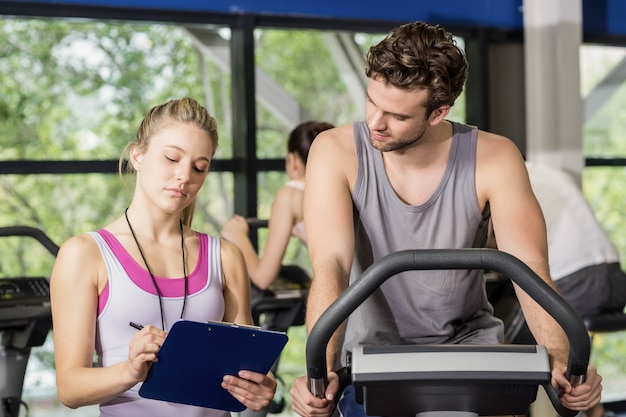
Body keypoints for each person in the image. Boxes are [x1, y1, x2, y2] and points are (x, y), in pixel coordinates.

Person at [288, 21, 603, 417]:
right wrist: (320, 372)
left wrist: (562, 362)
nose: (375, 122)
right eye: (372, 102)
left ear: (439, 112)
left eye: (396, 115)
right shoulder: (334, 151)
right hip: (371, 358)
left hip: (470, 349)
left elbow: (529, 269)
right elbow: (330, 266)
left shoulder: (494, 157)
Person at [50, 97, 277, 417]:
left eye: (199, 167)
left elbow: (246, 368)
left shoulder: (225, 256)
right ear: (138, 155)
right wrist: (129, 371)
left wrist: (260, 385)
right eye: (172, 158)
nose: (185, 176)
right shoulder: (85, 255)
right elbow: (70, 388)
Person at [221, 121, 333, 291]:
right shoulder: (344, 187)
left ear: (293, 160)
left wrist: (238, 237)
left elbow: (263, 277)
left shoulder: (291, 194)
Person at [525, 161, 626, 319]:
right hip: (616, 279)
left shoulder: (515, 181)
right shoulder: (549, 171)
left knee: (516, 328)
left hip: (577, 284)